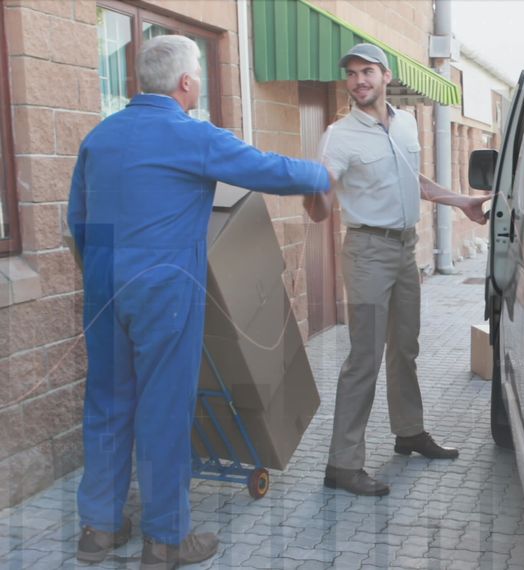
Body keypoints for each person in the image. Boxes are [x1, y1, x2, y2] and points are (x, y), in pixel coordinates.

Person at [68, 35, 332, 568]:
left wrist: (104, 275)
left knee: (107, 403)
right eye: (199, 78)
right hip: (162, 290)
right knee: (164, 408)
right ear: (187, 83)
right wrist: (321, 175)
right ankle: (166, 538)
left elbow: (78, 219)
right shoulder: (189, 135)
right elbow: (266, 168)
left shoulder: (100, 136)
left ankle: (99, 528)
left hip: (102, 287)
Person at [320, 43, 489, 496]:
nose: (359, 80)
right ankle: (342, 463)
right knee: (364, 357)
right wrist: (313, 192)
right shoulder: (339, 136)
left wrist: (463, 202)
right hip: (367, 251)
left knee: (405, 349)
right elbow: (321, 204)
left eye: (367, 71)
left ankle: (409, 431)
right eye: (352, 73)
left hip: (404, 249)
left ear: (386, 74)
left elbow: (414, 181)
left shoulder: (407, 123)